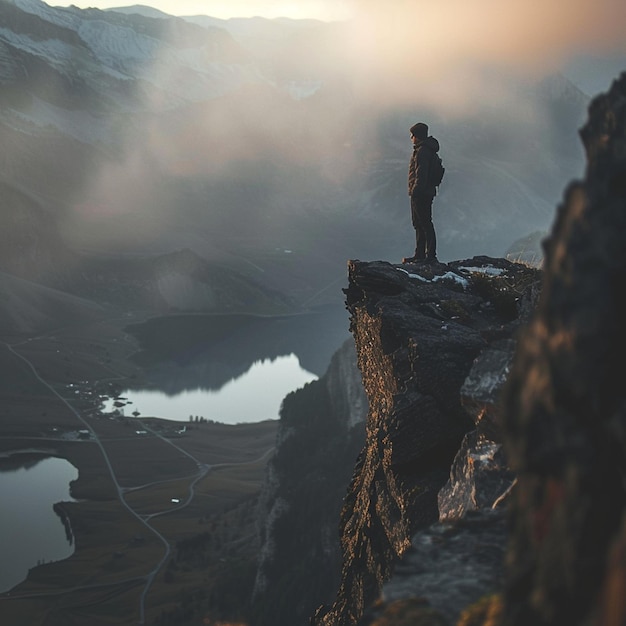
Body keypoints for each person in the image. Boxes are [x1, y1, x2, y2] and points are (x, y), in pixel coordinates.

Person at [403, 122, 440, 263]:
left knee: (424, 223)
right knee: (420, 223)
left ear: (417, 136)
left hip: (421, 193)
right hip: (426, 192)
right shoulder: (427, 150)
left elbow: (421, 174)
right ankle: (421, 254)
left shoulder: (422, 152)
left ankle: (429, 255)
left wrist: (415, 191)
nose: (411, 138)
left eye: (412, 135)